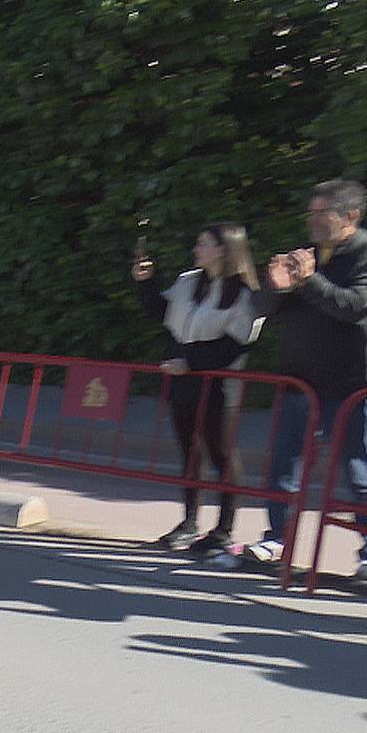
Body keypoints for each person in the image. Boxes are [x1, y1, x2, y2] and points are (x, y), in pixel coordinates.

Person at [243, 180, 367, 585]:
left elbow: (355, 307)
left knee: (361, 469)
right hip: (299, 382)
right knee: (283, 466)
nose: (311, 221)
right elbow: (263, 310)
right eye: (309, 213)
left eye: (321, 214)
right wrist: (274, 288)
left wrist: (309, 281)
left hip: (349, 387)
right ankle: (277, 538)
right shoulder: (307, 255)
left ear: (351, 216)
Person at [133, 223, 264, 556]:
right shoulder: (188, 281)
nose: (196, 249)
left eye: (203, 244)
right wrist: (145, 284)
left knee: (222, 454)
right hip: (184, 379)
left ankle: (224, 530)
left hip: (219, 383)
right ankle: (189, 523)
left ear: (223, 249)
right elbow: (165, 314)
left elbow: (235, 346)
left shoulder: (245, 294)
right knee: (189, 450)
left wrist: (190, 360)